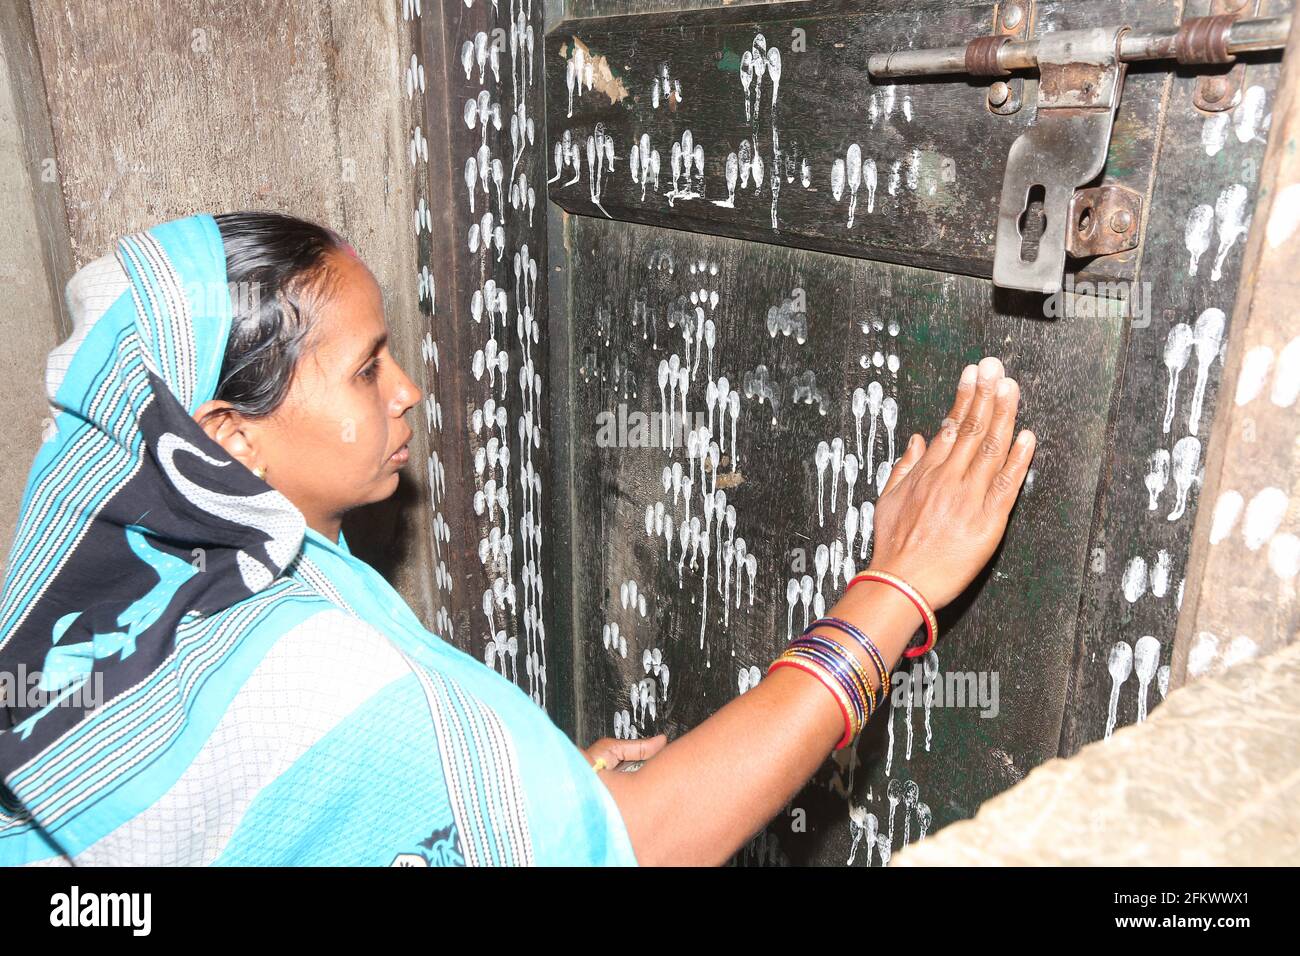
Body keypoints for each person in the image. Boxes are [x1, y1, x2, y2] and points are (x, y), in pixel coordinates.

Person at [0, 211, 1034, 867]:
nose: (407, 390)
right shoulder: (294, 671)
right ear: (228, 436)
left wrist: (498, 811)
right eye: (366, 368)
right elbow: (643, 844)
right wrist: (893, 588)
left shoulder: (133, 585)